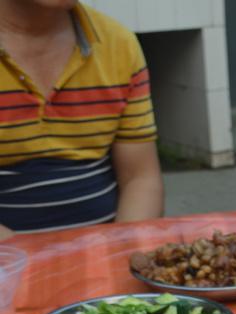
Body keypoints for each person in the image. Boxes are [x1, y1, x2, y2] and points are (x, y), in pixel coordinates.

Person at [0, 0, 163, 239]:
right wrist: (25, 256)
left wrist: (123, 247)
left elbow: (140, 179)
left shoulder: (117, 44)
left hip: (106, 251)